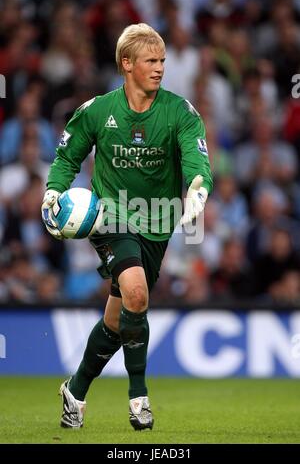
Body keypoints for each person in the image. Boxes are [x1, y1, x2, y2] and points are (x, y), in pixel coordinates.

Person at [41, 23, 213, 431]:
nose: (159, 68)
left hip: (157, 220)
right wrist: (53, 192)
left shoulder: (180, 113)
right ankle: (139, 398)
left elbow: (196, 160)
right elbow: (67, 158)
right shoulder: (98, 110)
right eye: (151, 61)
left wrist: (197, 190)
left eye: (162, 61)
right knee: (137, 291)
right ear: (127, 63)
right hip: (111, 214)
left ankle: (76, 389)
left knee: (121, 317)